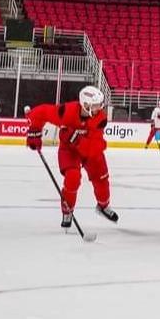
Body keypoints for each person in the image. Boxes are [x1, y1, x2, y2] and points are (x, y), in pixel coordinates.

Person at [27, 86, 116, 228]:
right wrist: (34, 131)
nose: (99, 108)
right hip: (69, 150)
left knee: (102, 179)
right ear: (85, 105)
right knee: (72, 178)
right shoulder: (66, 111)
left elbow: (95, 147)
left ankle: (103, 206)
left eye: (100, 105)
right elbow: (41, 112)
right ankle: (67, 211)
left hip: (91, 149)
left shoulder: (100, 119)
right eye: (95, 106)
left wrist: (76, 139)